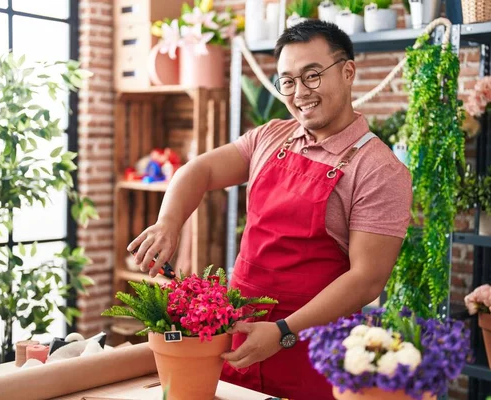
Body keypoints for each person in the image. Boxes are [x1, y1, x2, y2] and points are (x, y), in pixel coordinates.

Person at [127, 20, 412, 400]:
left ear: (348, 72)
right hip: (238, 339)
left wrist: (283, 332)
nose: (299, 93)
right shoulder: (270, 136)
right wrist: (169, 222)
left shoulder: (380, 170)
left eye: (312, 76)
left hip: (311, 352)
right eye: (288, 81)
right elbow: (200, 169)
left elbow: (366, 280)